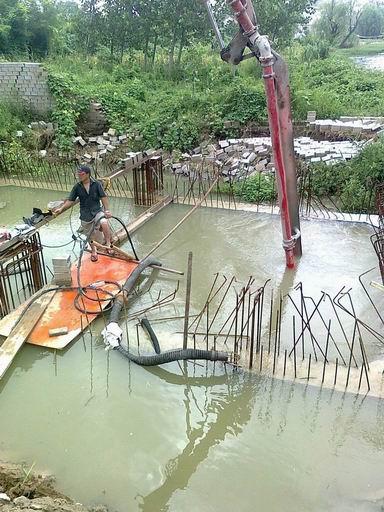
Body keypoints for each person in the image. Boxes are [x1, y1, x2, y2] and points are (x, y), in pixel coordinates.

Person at [54, 165, 112, 262]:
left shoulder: (96, 184)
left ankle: (108, 244)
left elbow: (103, 197)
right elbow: (70, 200)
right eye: (78, 174)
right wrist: (61, 209)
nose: (79, 176)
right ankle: (94, 251)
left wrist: (107, 210)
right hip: (85, 215)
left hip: (97, 211)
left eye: (82, 174)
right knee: (89, 235)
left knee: (104, 222)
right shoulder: (77, 187)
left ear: (88, 174)